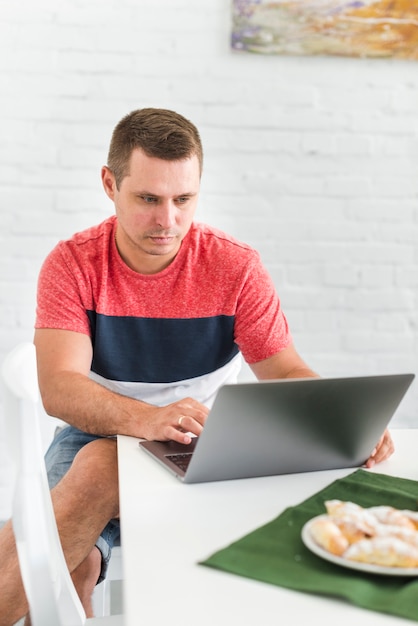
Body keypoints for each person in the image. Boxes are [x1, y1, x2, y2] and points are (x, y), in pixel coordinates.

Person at [0, 108, 394, 625]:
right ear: (109, 184)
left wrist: (344, 419)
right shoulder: (73, 263)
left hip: (206, 441)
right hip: (93, 430)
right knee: (76, 569)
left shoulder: (235, 267)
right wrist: (146, 419)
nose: (168, 220)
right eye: (148, 199)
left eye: (183, 200)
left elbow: (285, 372)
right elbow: (61, 388)